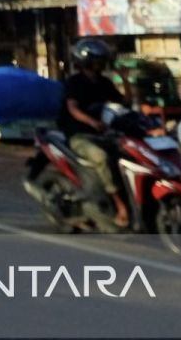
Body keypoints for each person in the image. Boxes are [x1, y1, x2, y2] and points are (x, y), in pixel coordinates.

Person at [58, 38, 129, 228]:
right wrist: (92, 122)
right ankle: (120, 205)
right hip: (79, 136)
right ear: (87, 61)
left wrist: (125, 79)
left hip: (105, 134)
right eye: (98, 60)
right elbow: (72, 108)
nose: (102, 64)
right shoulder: (74, 83)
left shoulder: (105, 83)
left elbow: (124, 103)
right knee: (102, 157)